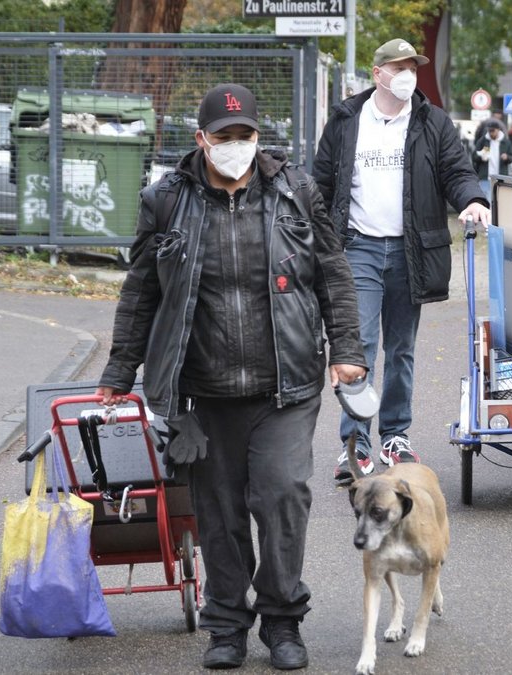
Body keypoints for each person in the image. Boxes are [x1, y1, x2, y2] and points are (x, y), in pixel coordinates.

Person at [95, 83, 367, 671]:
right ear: (201, 140)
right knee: (218, 516)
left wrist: (347, 347)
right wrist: (121, 369)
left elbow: (334, 273)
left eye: (246, 136)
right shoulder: (165, 200)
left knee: (282, 498)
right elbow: (141, 292)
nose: (237, 146)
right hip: (202, 392)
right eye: (225, 137)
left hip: (285, 385)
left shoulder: (295, 191)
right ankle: (226, 626)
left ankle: (283, 621)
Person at [312, 38, 491, 484]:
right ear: (378, 74)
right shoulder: (347, 119)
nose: (407, 73)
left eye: (412, 65)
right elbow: (321, 180)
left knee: (402, 349)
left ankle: (395, 435)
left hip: (410, 249)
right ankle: (355, 443)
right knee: (360, 347)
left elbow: (457, 170)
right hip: (359, 248)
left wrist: (472, 200)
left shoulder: (432, 121)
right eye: (398, 66)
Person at [474, 124, 510, 200]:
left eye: (493, 131)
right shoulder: (483, 141)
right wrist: (481, 157)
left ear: (498, 130)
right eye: (489, 131)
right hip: (485, 177)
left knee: (499, 199)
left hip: (500, 177)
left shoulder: (505, 142)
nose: (491, 133)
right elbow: (474, 156)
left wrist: (507, 157)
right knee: (486, 199)